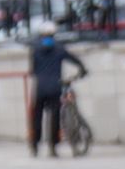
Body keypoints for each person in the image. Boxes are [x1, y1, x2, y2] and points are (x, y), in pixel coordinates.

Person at [28, 19, 87, 158]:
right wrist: (83, 69)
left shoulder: (35, 49)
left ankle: (35, 146)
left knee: (37, 116)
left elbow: (33, 70)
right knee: (55, 117)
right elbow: (74, 59)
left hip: (40, 87)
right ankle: (53, 146)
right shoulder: (59, 48)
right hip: (55, 87)